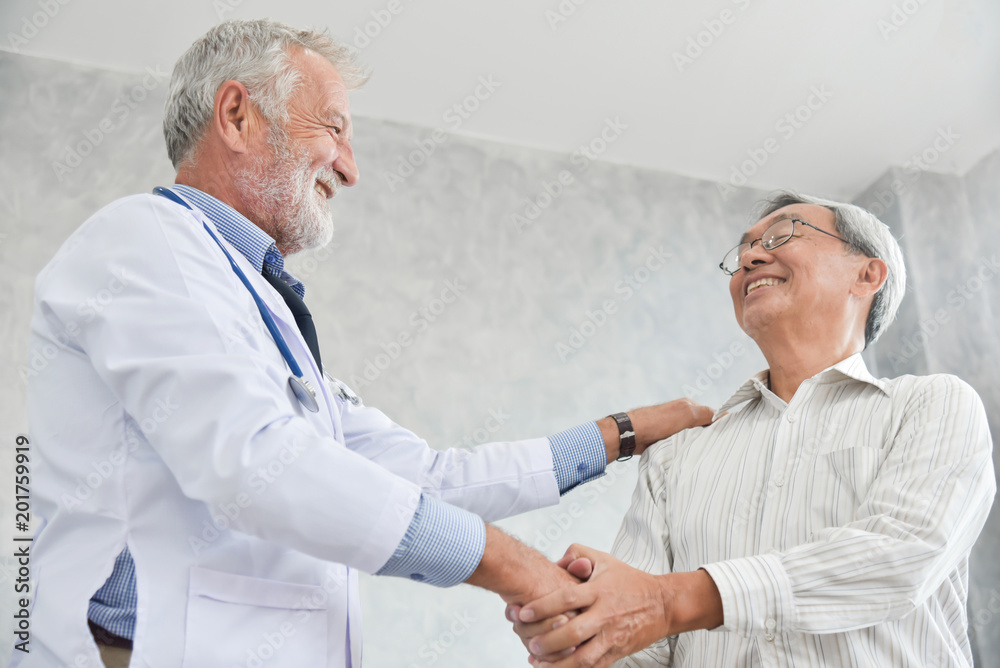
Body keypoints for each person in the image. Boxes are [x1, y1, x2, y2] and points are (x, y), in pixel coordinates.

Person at [14, 19, 713, 668]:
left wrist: (624, 432)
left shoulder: (249, 303)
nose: (350, 168)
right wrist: (521, 572)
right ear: (235, 115)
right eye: (335, 129)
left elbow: (429, 480)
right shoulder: (142, 242)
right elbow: (255, 464)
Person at [510, 193, 996, 667]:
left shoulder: (933, 403)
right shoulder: (677, 454)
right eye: (743, 249)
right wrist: (584, 637)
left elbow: (900, 558)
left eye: (784, 234)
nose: (750, 256)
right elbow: (645, 645)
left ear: (867, 274)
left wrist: (673, 601)